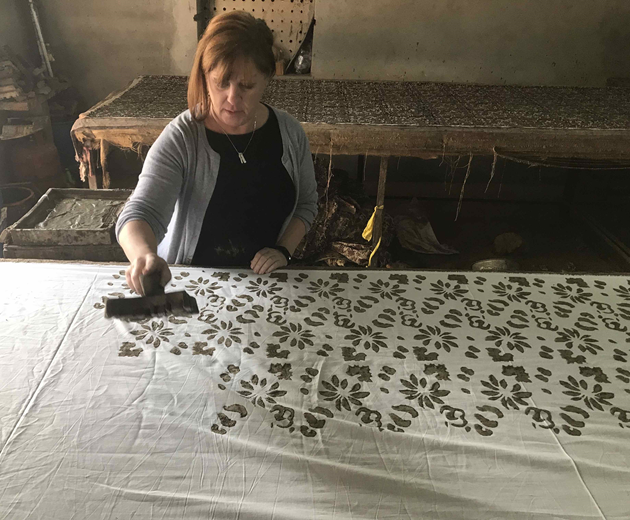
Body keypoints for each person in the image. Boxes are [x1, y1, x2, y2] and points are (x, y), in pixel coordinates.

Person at [116, 11, 318, 295]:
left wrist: (283, 250)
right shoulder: (183, 137)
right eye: (221, 82)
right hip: (196, 284)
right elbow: (141, 212)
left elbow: (306, 204)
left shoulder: (290, 133)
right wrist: (144, 255)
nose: (233, 99)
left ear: (268, 78)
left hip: (269, 285)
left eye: (247, 86)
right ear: (204, 75)